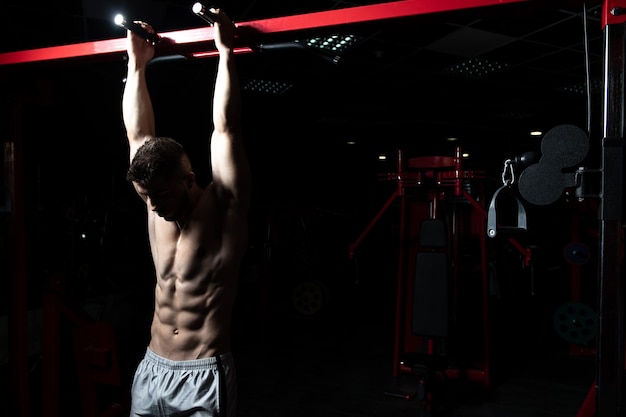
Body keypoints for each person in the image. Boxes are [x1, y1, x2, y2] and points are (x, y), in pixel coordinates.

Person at [121, 8, 250, 417]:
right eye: (146, 196)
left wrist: (225, 52)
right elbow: (137, 134)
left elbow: (225, 129)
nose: (153, 205)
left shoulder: (222, 205)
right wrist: (136, 65)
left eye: (161, 195)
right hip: (152, 367)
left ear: (189, 179)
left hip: (202, 374)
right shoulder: (153, 197)